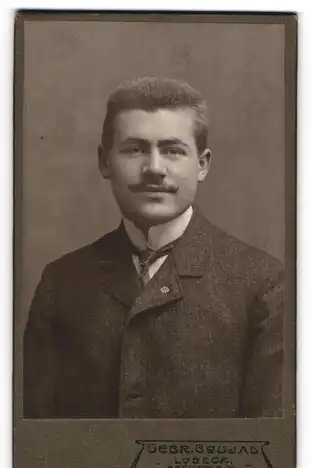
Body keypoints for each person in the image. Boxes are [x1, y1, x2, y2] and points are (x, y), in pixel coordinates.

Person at [23, 76, 284, 419]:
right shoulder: (62, 282)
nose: (154, 169)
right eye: (134, 149)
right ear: (104, 162)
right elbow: (37, 447)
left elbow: (268, 453)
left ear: (202, 165)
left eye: (173, 151)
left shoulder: (263, 284)